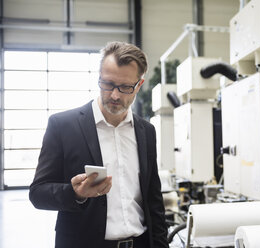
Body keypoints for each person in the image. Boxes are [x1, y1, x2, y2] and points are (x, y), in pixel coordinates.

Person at [29, 41, 169, 248]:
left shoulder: (146, 131)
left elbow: (153, 199)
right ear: (98, 78)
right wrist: (75, 194)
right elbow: (38, 193)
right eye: (108, 84)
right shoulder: (63, 126)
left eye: (125, 87)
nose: (114, 95)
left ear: (139, 85)